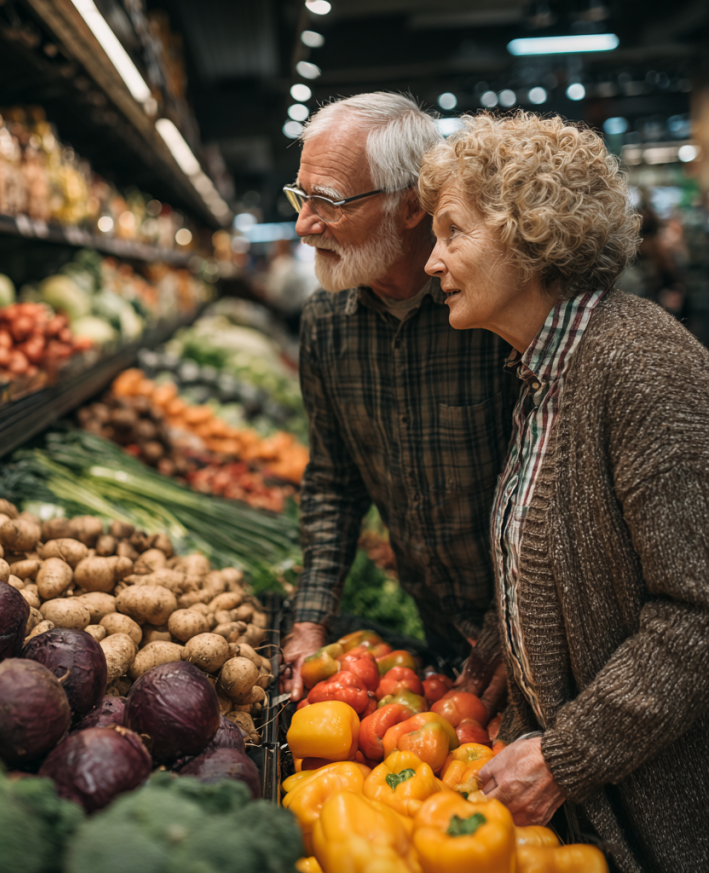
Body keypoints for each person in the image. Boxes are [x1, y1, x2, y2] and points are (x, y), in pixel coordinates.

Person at [421, 111, 709, 873]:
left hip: (655, 818)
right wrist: (493, 661)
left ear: (527, 231)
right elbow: (547, 562)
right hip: (576, 806)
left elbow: (695, 615)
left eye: (451, 232)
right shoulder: (542, 373)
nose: (431, 261)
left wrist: (563, 755)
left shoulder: (641, 365)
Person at [280, 93, 518, 704]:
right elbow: (334, 480)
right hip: (439, 638)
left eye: (328, 202)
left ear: (411, 206)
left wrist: (516, 628)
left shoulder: (497, 313)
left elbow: (560, 495)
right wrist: (310, 618)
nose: (305, 226)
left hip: (540, 634)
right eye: (300, 197)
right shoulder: (326, 323)